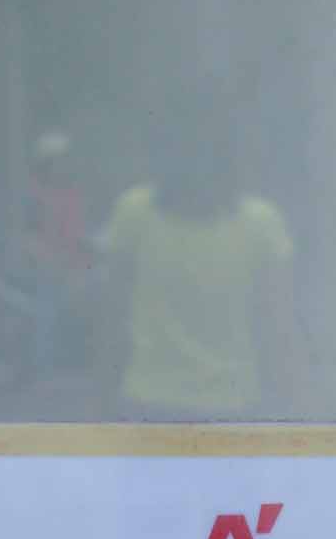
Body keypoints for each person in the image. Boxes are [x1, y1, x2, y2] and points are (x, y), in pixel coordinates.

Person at [94, 99, 301, 419]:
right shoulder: (260, 223)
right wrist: (290, 410)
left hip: (147, 406)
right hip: (233, 408)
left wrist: (101, 404)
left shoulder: (135, 212)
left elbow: (111, 318)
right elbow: (278, 329)